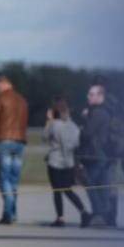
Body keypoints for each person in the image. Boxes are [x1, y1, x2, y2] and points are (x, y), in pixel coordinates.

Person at [0, 75, 29, 225]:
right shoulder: (22, 100)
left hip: (4, 140)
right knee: (14, 179)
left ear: (5, 84)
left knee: (4, 178)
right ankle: (13, 212)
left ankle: (8, 213)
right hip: (20, 141)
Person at [44, 97, 91, 228]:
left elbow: (45, 136)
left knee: (57, 190)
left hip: (55, 161)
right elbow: (76, 143)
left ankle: (60, 217)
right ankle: (83, 211)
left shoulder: (54, 124)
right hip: (69, 162)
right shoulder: (74, 126)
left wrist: (49, 120)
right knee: (67, 189)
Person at [80, 84, 114, 226]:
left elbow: (88, 132)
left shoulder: (97, 112)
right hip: (104, 153)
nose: (88, 96)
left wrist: (84, 118)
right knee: (102, 186)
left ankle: (99, 215)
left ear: (101, 96)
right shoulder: (107, 110)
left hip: (95, 153)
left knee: (91, 184)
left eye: (91, 94)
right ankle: (103, 214)